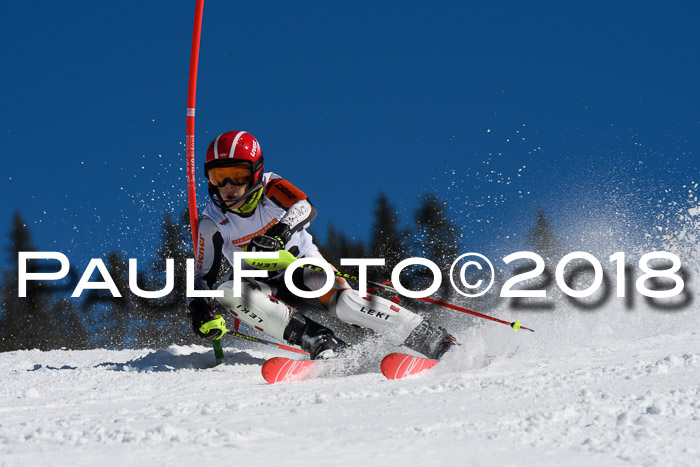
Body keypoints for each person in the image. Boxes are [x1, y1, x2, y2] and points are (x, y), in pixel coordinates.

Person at [187, 130, 456, 360]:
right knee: (229, 292)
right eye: (218, 176)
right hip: (261, 285)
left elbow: (304, 207)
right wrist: (200, 310)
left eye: (237, 174)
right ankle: (321, 342)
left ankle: (432, 340)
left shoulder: (271, 186)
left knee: (347, 303)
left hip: (301, 268)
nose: (228, 186)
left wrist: (279, 234)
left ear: (255, 173)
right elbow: (202, 276)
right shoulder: (212, 221)